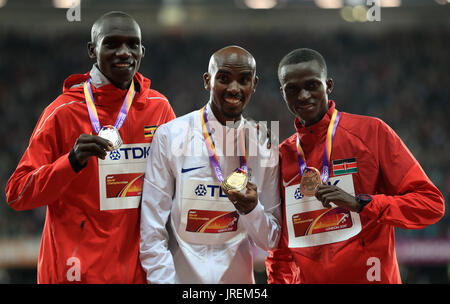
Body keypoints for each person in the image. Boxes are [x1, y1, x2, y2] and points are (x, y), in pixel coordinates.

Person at [5, 11, 176, 283]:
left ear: (142, 51)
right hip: (75, 272)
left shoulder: (158, 108)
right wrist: (70, 162)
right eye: (111, 44)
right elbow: (17, 193)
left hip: (135, 273)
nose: (124, 52)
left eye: (132, 44)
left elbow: (176, 184)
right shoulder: (63, 112)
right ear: (92, 49)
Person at [265, 48, 445, 284]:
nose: (303, 95)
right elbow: (280, 251)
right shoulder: (280, 157)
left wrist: (361, 203)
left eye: (312, 85)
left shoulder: (372, 133)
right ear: (283, 93)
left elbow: (430, 205)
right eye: (293, 89)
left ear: (328, 85)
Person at [139, 45, 281, 283]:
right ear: (207, 80)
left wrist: (250, 210)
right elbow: (152, 228)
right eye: (224, 78)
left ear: (254, 85)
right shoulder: (171, 136)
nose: (234, 88)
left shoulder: (263, 144)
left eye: (244, 80)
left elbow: (271, 240)